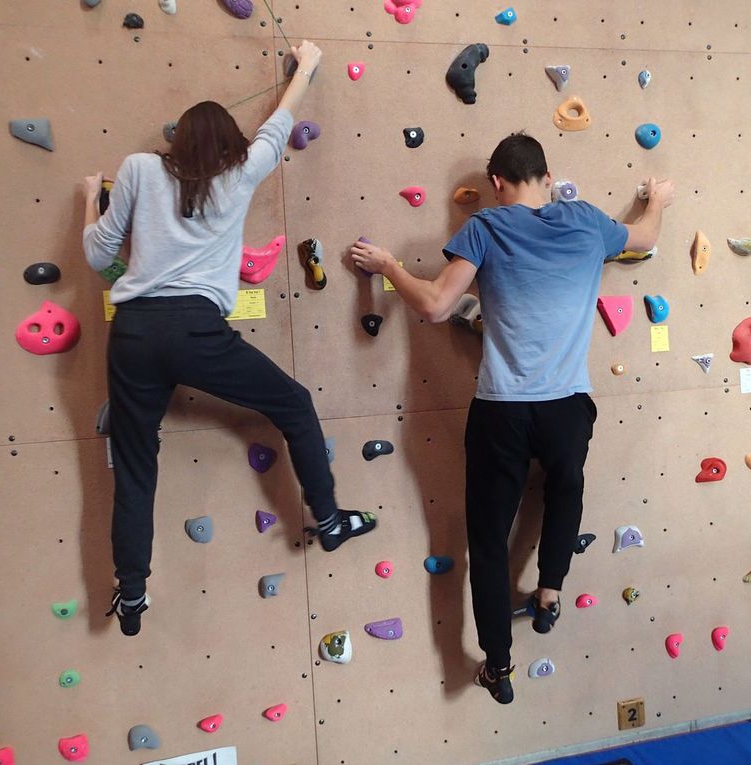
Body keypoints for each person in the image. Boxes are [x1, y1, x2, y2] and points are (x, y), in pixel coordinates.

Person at [350, 133, 674, 703]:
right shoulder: (586, 222)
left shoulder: (485, 228)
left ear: (496, 185)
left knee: (488, 539)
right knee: (566, 489)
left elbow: (433, 305)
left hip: (502, 409)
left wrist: (386, 265)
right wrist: (657, 199)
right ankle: (550, 591)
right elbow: (645, 239)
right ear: (548, 178)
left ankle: (497, 666)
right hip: (567, 406)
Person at [81, 40, 377, 637]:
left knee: (136, 467)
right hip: (196, 330)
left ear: (178, 142)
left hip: (135, 333)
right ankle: (330, 519)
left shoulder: (139, 169)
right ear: (226, 149)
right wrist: (309, 64)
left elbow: (96, 254)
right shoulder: (240, 173)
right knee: (292, 403)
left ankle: (132, 594)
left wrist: (91, 199)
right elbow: (278, 123)